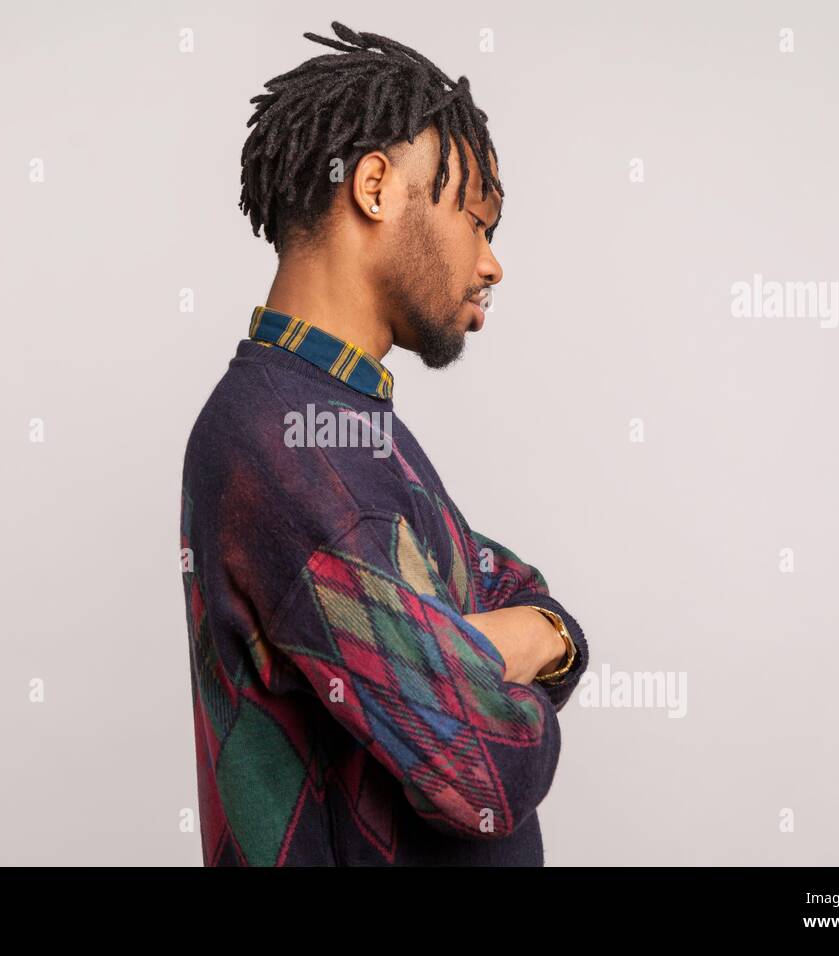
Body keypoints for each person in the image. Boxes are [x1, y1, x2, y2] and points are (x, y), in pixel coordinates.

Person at [179, 21, 589, 866]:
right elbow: (485, 770)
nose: (492, 265)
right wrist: (547, 637)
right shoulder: (284, 446)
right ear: (375, 186)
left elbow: (495, 579)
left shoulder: (342, 419)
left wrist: (485, 638)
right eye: (479, 221)